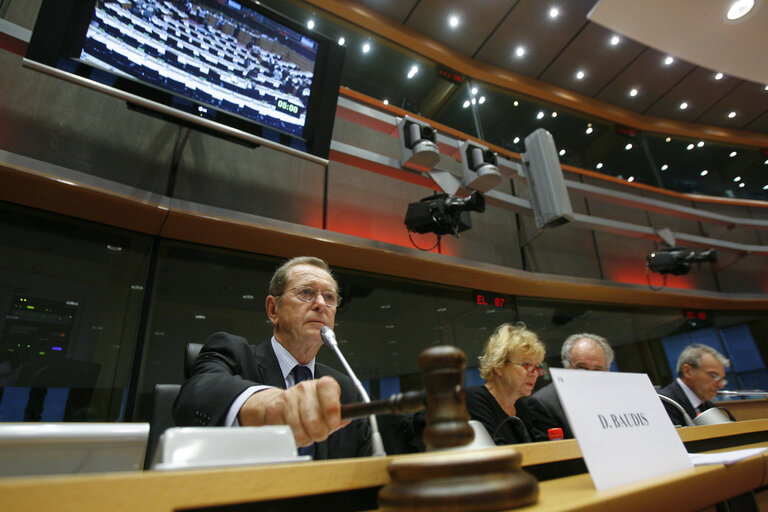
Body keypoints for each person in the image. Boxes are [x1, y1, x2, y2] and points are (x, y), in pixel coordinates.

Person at [173, 256, 372, 459]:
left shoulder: (346, 389)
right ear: (273, 309)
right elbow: (193, 398)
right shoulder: (234, 353)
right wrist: (268, 405)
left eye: (329, 297)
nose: (321, 304)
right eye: (306, 292)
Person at [465, 323, 546, 445]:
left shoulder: (521, 407)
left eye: (536, 367)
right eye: (526, 365)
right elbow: (496, 452)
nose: (534, 374)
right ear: (499, 365)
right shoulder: (474, 399)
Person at [528, 333, 614, 440]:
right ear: (566, 365)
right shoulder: (543, 404)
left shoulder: (616, 399)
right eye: (582, 368)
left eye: (597, 370)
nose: (589, 376)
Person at [657, 344, 730, 427]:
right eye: (713, 376)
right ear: (687, 371)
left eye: (722, 379)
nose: (721, 385)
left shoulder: (708, 406)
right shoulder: (665, 403)